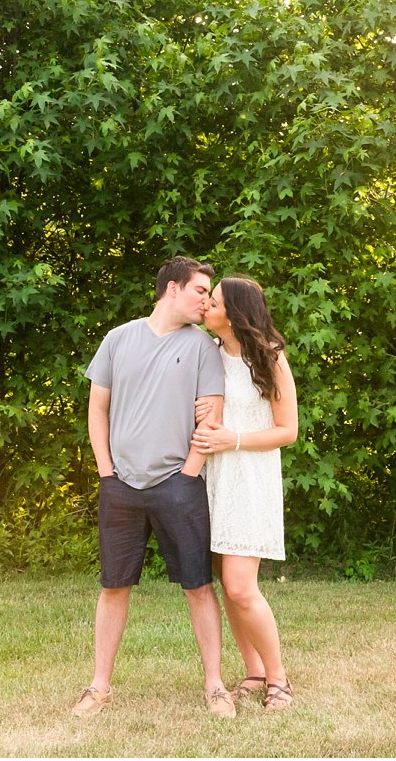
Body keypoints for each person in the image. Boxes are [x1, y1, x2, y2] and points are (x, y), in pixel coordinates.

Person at [72, 256, 237, 719]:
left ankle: (216, 687)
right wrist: (106, 471)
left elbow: (213, 418)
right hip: (120, 485)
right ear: (172, 290)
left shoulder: (204, 348)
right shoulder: (117, 339)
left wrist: (189, 472)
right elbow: (97, 409)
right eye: (200, 291)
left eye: (209, 293)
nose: (207, 300)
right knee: (113, 586)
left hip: (178, 485)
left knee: (199, 586)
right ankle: (99, 688)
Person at [190, 275, 299, 711]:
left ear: (234, 315)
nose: (204, 307)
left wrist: (232, 439)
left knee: (239, 585)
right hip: (213, 477)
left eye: (212, 301)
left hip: (250, 477)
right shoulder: (208, 355)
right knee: (226, 579)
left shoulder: (270, 358)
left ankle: (279, 680)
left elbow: (287, 431)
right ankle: (253, 670)